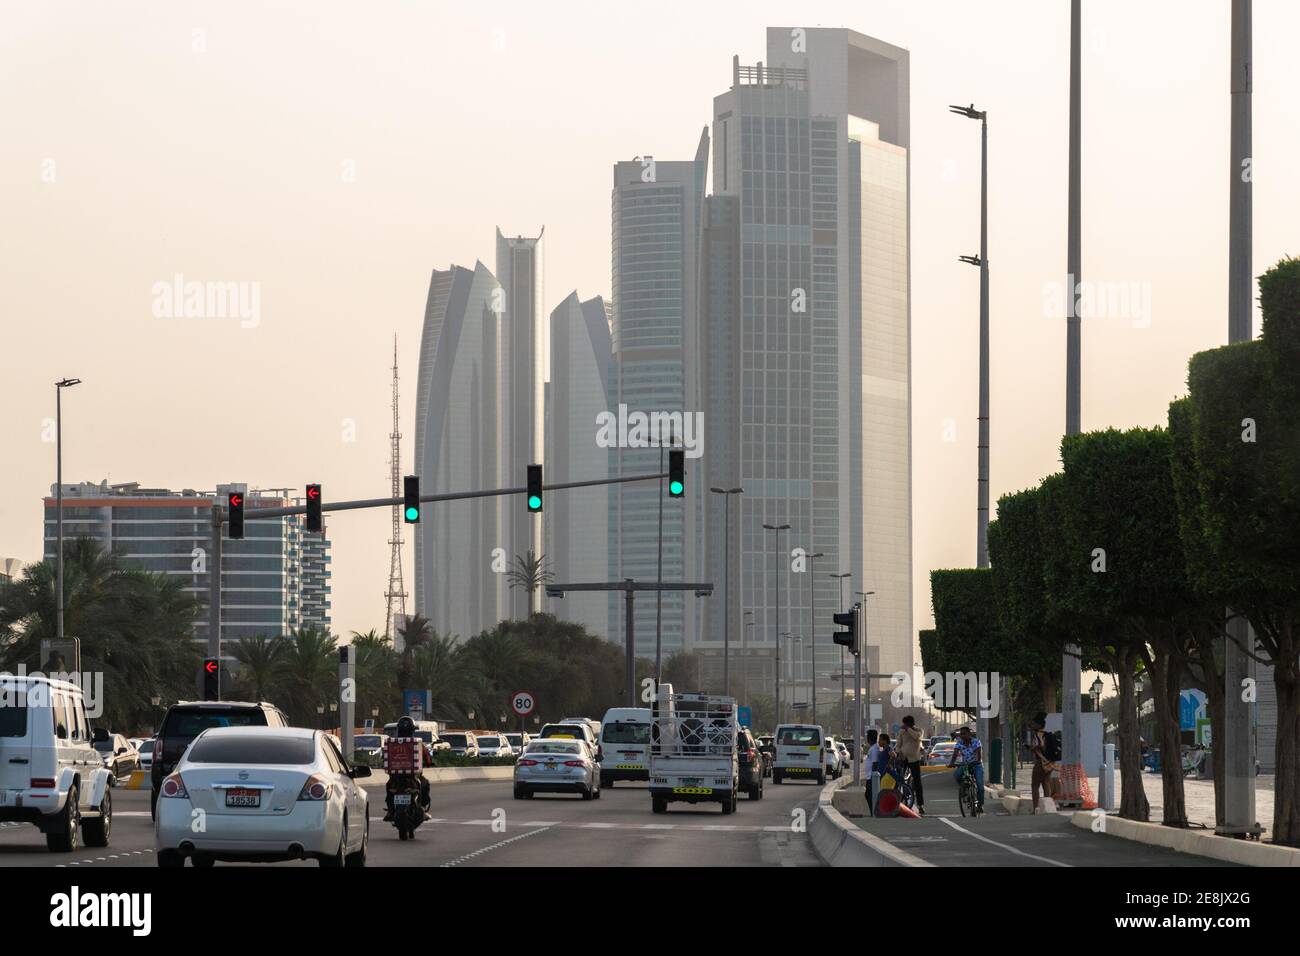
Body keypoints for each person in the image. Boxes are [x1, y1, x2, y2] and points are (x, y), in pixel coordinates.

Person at [383, 716, 432, 821]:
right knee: (425, 785)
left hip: (395, 777)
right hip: (413, 776)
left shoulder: (392, 743)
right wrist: (429, 762)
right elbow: (428, 758)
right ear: (412, 730)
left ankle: (391, 811)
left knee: (389, 787)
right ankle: (422, 809)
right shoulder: (417, 743)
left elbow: (385, 757)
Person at [948, 725, 985, 813]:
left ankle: (980, 805)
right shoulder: (959, 742)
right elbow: (955, 753)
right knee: (957, 775)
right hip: (965, 765)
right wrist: (952, 763)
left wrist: (977, 761)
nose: (962, 736)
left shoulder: (976, 742)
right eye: (961, 734)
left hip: (976, 765)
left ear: (969, 734)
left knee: (980, 787)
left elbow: (979, 755)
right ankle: (964, 789)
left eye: (964, 734)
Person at [1027, 712, 1057, 811]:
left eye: (1033, 723)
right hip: (1049, 763)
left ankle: (1036, 808)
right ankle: (1047, 808)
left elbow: (1041, 745)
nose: (1031, 724)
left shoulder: (1038, 734)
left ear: (1039, 725)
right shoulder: (1046, 734)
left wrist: (1032, 748)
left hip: (1041, 762)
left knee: (1035, 785)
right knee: (1046, 783)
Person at [896, 715, 926, 815]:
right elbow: (898, 745)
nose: (903, 726)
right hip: (904, 758)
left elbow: (916, 737)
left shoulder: (919, 730)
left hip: (914, 759)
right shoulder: (901, 732)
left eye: (905, 724)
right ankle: (897, 801)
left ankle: (921, 805)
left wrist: (908, 729)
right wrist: (899, 752)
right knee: (898, 779)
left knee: (917, 782)